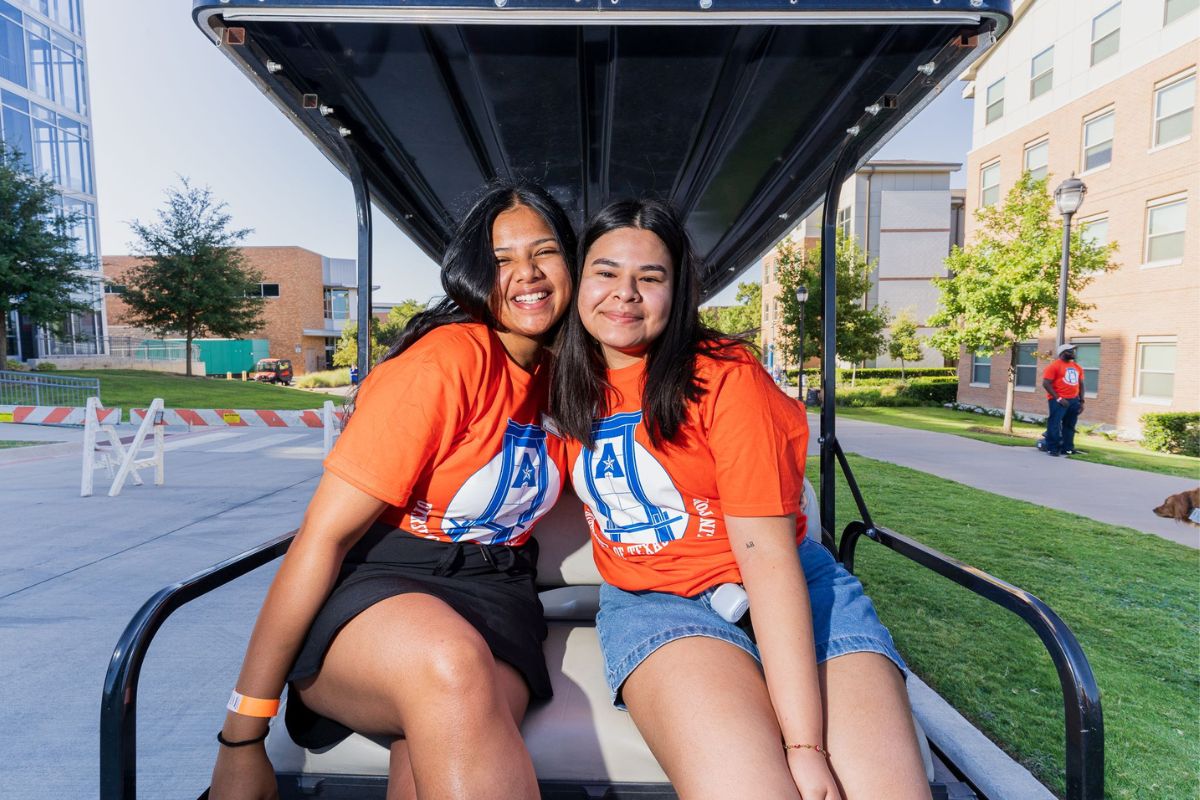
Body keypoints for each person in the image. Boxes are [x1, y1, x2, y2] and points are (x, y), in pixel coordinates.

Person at [207, 181, 575, 800]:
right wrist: (241, 737)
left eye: (544, 252)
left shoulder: (571, 377)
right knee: (451, 668)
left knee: (431, 748)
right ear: (473, 274)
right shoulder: (445, 363)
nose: (527, 274)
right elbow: (322, 537)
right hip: (386, 586)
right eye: (502, 258)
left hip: (499, 595)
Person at [551, 199, 929, 800]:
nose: (625, 293)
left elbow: (767, 557)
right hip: (659, 603)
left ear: (677, 293)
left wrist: (804, 747)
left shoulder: (723, 376)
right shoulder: (559, 378)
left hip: (791, 586)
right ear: (578, 282)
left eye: (650, 277)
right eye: (606, 272)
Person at [1042, 343, 1085, 457]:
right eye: (1070, 351)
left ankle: (1068, 449)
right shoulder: (1054, 366)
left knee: (1070, 425)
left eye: (1073, 351)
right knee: (1054, 424)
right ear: (1063, 353)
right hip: (1058, 401)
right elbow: (1046, 383)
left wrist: (1082, 401)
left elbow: (1081, 385)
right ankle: (1053, 448)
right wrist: (1059, 398)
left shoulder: (1077, 367)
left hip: (1074, 400)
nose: (1073, 353)